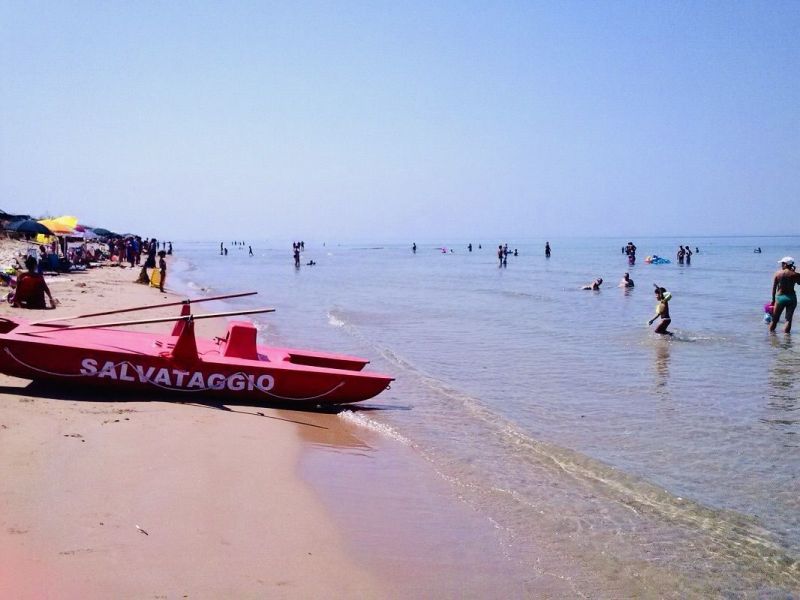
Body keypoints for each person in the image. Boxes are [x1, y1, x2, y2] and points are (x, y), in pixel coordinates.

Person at [770, 257, 800, 334]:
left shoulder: (778, 273)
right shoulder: (795, 274)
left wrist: (773, 301)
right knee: (788, 320)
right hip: (791, 298)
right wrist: (794, 272)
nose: (781, 265)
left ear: (786, 264)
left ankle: (771, 337)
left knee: (775, 319)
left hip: (780, 298)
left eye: (782, 263)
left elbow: (774, 288)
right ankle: (787, 339)